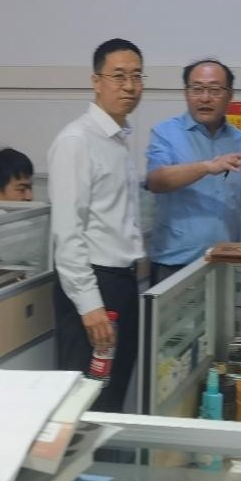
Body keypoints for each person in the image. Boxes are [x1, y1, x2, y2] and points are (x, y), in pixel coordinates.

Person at [47, 38, 145, 412]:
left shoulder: (118, 139)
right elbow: (67, 231)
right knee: (83, 403)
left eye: (136, 76)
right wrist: (89, 305)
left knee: (112, 396)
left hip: (121, 284)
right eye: (118, 76)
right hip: (93, 287)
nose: (129, 86)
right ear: (96, 81)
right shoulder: (77, 140)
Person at [146, 59, 241, 284]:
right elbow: (156, 181)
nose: (205, 98)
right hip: (174, 265)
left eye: (215, 90)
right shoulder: (165, 134)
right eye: (197, 89)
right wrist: (207, 167)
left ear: (229, 95)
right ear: (186, 93)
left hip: (224, 264)